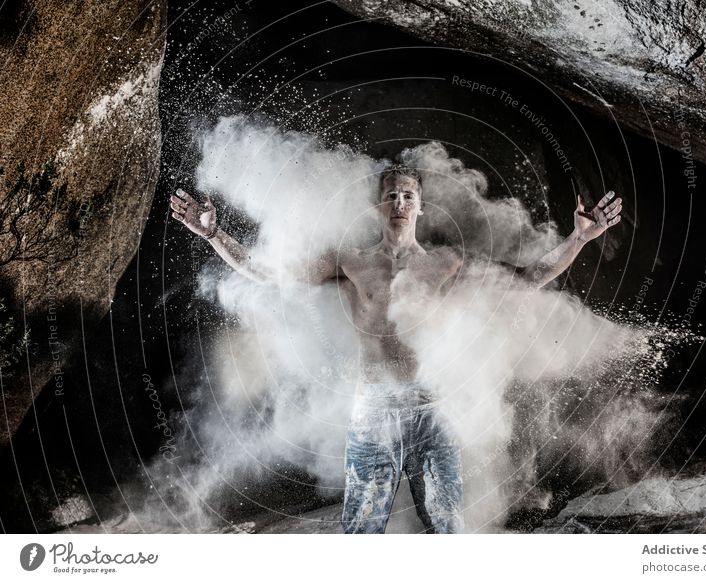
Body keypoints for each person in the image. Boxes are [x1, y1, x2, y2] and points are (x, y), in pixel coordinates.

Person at [170, 165, 622, 533]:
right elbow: (270, 272)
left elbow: (524, 279)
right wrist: (213, 235)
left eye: (408, 195)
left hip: (433, 406)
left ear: (421, 207)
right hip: (375, 408)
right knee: (363, 527)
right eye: (391, 195)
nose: (399, 203)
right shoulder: (350, 261)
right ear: (377, 205)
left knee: (448, 525)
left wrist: (580, 238)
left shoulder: (447, 263)